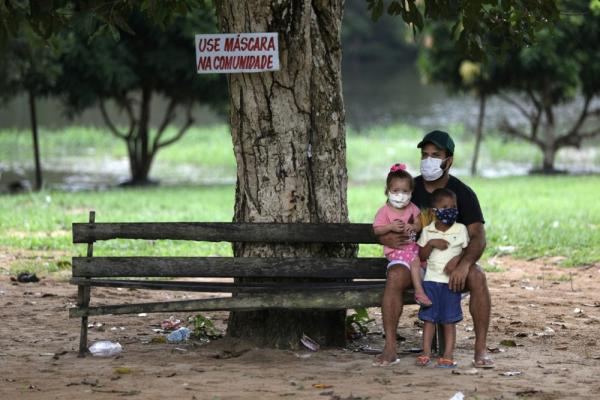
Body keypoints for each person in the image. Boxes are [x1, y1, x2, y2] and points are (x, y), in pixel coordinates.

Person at [373, 130, 493, 368]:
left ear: (449, 160)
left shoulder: (463, 193)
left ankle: (480, 351)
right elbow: (383, 223)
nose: (429, 160)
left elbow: (478, 236)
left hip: (451, 263)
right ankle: (390, 349)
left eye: (435, 155)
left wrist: (464, 264)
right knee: (395, 275)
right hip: (416, 261)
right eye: (425, 154)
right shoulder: (408, 188)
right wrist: (387, 240)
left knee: (478, 276)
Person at [415, 188, 469, 368]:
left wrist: (457, 259)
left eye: (453, 206)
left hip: (450, 283)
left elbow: (466, 250)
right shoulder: (428, 231)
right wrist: (431, 243)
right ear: (434, 211)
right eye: (445, 207)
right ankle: (426, 353)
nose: (450, 210)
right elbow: (421, 255)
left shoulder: (460, 229)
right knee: (429, 319)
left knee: (449, 320)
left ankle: (447, 355)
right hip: (431, 281)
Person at [372, 163, 431, 308]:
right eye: (396, 191)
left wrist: (413, 226)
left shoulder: (412, 208)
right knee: (415, 260)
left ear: (411, 192)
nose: (401, 195)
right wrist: (390, 227)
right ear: (388, 191)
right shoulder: (384, 211)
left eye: (405, 191)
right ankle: (419, 293)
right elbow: (377, 230)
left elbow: (418, 225)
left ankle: (437, 294)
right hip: (396, 252)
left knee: (428, 264)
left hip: (412, 248)